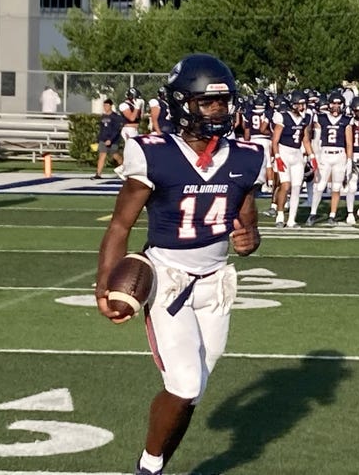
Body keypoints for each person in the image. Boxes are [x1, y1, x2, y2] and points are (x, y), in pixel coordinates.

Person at [95, 53, 266, 475]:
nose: (218, 111)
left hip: (216, 283)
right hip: (169, 278)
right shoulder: (152, 153)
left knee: (194, 390)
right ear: (180, 104)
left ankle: (154, 466)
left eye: (224, 102)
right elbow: (120, 225)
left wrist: (251, 239)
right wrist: (104, 286)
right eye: (207, 102)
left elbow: (248, 221)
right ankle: (149, 467)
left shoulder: (246, 156)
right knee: (184, 383)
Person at [305, 91, 353, 226]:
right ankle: (313, 213)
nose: (336, 106)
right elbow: (314, 138)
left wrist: (349, 160)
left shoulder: (346, 120)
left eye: (339, 103)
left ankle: (332, 215)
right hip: (325, 154)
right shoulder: (321, 118)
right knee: (319, 186)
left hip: (340, 154)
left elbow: (349, 142)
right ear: (329, 104)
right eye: (334, 103)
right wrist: (313, 155)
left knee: (336, 187)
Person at [270, 90, 316, 228]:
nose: (303, 107)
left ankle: (291, 220)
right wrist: (277, 156)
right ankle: (279, 215)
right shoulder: (282, 117)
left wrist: (312, 156)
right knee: (285, 185)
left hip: (297, 154)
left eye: (304, 104)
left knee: (296, 187)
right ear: (293, 105)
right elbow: (275, 140)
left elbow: (306, 140)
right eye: (300, 104)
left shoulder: (306, 118)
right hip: (283, 152)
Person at [91, 99, 124, 180]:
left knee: (115, 156)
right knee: (102, 155)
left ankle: (124, 170)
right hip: (103, 140)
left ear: (110, 106)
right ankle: (98, 174)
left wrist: (110, 139)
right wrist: (98, 140)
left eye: (106, 105)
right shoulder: (103, 117)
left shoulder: (116, 117)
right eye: (104, 106)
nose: (105, 107)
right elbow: (102, 129)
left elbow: (116, 130)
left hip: (113, 140)